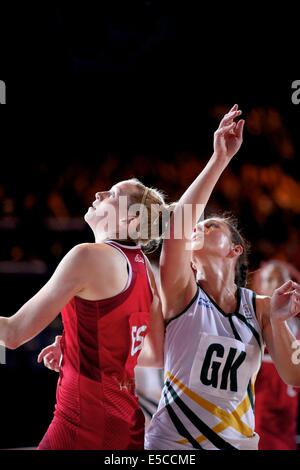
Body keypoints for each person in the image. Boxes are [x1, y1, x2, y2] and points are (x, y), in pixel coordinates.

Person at [144, 105, 300, 450]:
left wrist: (277, 323)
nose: (199, 227)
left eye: (211, 226)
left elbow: (294, 374)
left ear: (234, 250)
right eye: (198, 225)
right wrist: (219, 160)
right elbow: (177, 230)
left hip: (237, 445)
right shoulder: (182, 292)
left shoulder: (258, 307)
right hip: (174, 444)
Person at [0, 178, 166, 450]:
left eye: (113, 194)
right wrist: (75, 346)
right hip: (125, 422)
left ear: (131, 221)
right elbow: (153, 354)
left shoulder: (88, 256)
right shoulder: (144, 266)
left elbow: (13, 333)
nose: (100, 192)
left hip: (85, 423)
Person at [252, 260, 300, 450]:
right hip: (253, 431)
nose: (277, 284)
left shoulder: (297, 331)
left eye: (283, 279)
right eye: (270, 279)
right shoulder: (247, 328)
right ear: (259, 286)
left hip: (286, 432)